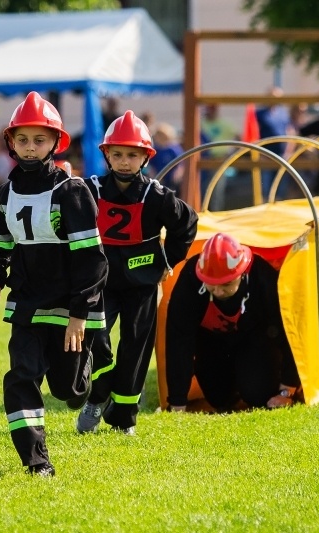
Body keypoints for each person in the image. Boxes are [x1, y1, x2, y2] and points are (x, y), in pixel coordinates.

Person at [0, 91, 108, 477]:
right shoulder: (7, 192)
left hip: (71, 308)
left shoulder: (73, 192)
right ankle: (37, 463)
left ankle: (88, 376)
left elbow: (92, 260)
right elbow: (1, 247)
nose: (30, 148)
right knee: (21, 378)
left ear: (55, 143)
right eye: (23, 140)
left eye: (39, 140)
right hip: (28, 306)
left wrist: (80, 315)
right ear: (11, 144)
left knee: (68, 390)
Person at [76, 111, 198, 435]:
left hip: (141, 286)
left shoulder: (157, 195)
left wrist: (167, 262)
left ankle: (124, 417)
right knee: (94, 340)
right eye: (117, 154)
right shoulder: (90, 189)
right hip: (99, 284)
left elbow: (187, 224)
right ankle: (98, 395)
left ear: (145, 157)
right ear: (106, 155)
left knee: (135, 350)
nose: (125, 162)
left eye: (132, 155)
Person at [165, 233, 303, 413]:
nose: (219, 291)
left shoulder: (262, 278)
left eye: (226, 285)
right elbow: (178, 340)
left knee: (259, 395)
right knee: (218, 398)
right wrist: (177, 402)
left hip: (255, 339)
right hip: (212, 343)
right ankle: (231, 392)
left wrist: (287, 390)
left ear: (243, 273)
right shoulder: (191, 280)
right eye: (211, 285)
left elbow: (288, 331)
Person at [200, 104, 239, 210]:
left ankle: (215, 212)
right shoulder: (200, 124)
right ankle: (200, 211)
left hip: (219, 159)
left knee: (217, 189)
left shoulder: (225, 124)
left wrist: (231, 153)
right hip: (203, 160)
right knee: (201, 188)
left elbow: (237, 138)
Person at [146, 122, 185, 196]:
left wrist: (178, 173)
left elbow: (180, 163)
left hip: (171, 179)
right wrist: (152, 173)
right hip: (159, 178)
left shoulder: (173, 149)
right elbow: (150, 163)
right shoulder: (156, 149)